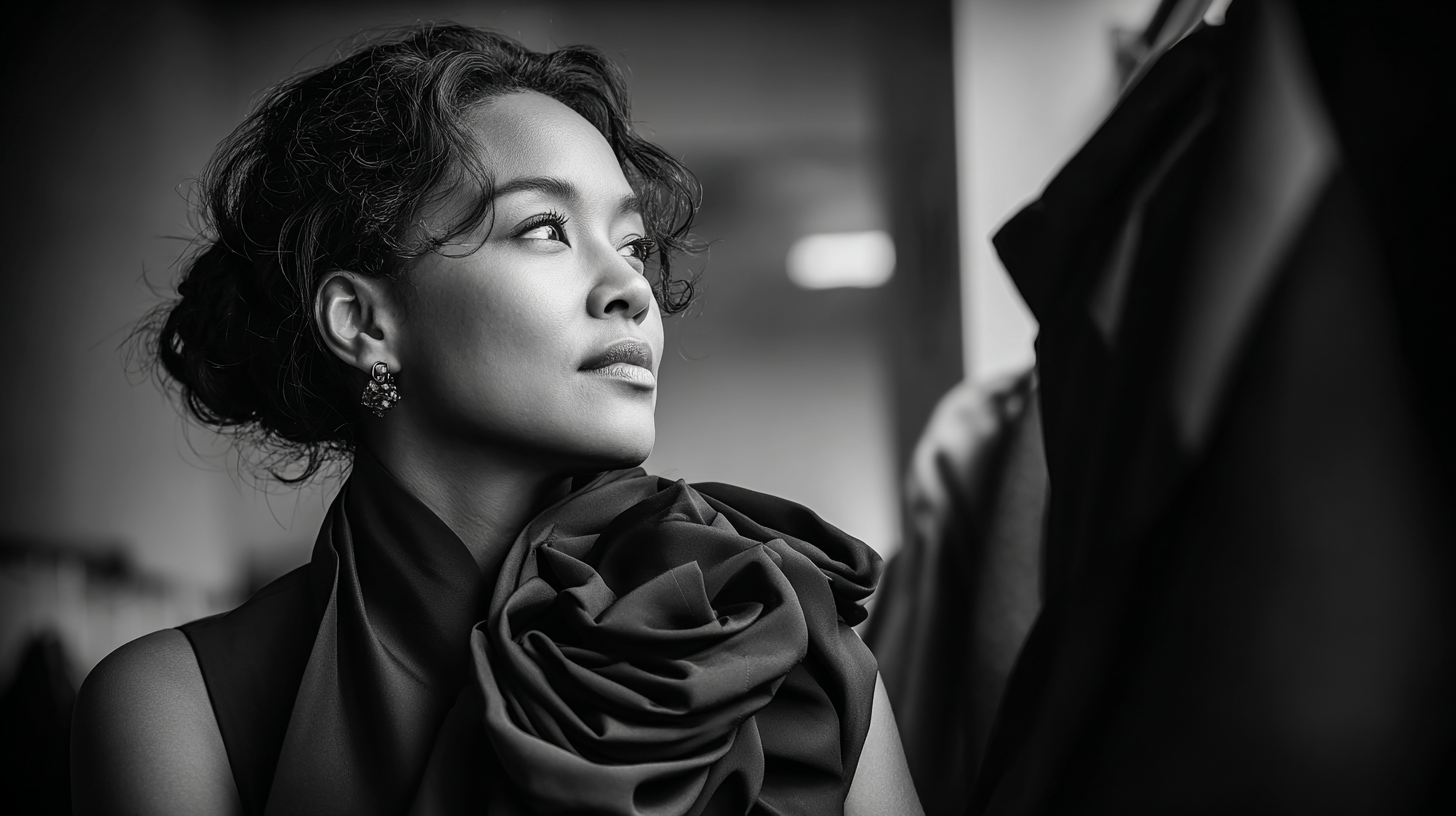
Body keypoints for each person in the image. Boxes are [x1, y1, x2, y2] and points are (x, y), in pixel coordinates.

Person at [69, 23, 921, 816]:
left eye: (630, 245)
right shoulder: (178, 707)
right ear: (363, 324)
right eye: (546, 228)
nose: (632, 288)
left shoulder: (778, 627)